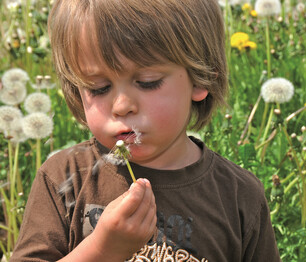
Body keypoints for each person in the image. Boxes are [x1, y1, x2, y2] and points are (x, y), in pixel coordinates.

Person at [11, 0, 281, 261]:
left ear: (203, 77)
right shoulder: (63, 179)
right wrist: (102, 251)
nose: (121, 106)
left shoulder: (238, 196)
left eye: (147, 82)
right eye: (98, 88)